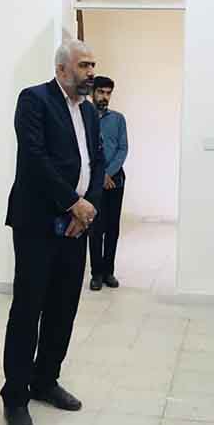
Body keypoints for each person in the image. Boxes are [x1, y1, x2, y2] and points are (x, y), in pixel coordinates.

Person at [1, 40, 105, 425]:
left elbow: (97, 162)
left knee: (63, 308)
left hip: (76, 226)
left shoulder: (89, 111)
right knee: (28, 310)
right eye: (83, 65)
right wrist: (72, 203)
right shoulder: (34, 100)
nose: (90, 72)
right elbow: (34, 159)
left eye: (92, 64)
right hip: (37, 224)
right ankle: (15, 395)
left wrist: (87, 209)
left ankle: (45, 380)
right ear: (62, 69)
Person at [88, 75, 128, 291]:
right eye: (101, 92)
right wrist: (100, 176)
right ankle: (96, 274)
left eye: (108, 93)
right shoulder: (85, 116)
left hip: (116, 181)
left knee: (112, 228)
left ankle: (108, 272)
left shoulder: (118, 119)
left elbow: (123, 148)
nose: (104, 97)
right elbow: (84, 150)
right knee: (95, 228)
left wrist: (109, 173)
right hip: (93, 182)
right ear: (92, 93)